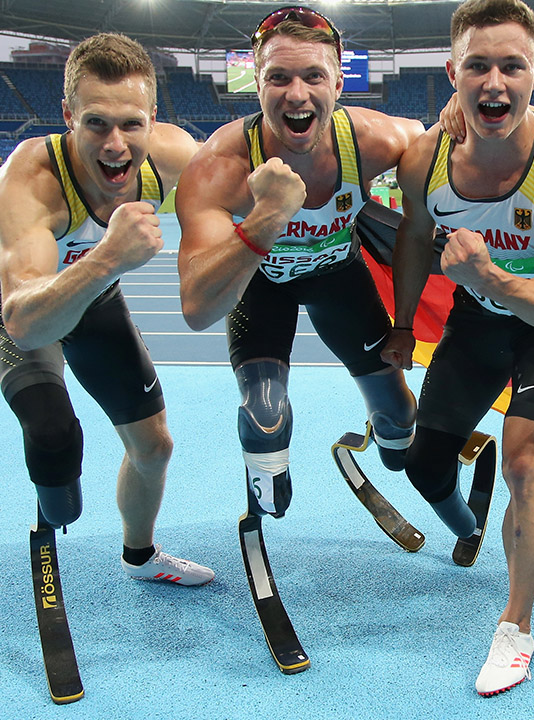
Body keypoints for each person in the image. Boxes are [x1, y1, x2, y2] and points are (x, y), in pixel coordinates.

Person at [389, 0, 534, 697]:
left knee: (524, 462)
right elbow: (412, 237)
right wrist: (403, 323)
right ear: (452, 73)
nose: (495, 83)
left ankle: (515, 627)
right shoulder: (425, 158)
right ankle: (469, 516)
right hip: (477, 323)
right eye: (478, 67)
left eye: (511, 66)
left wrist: (491, 278)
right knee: (423, 467)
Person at [0, 33, 213, 586]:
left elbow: (249, 169)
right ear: (68, 116)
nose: (115, 145)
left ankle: (141, 557)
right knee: (54, 440)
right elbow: (25, 323)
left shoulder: (172, 156)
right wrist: (107, 258)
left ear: (153, 120)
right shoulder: (29, 183)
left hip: (96, 296)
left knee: (154, 446)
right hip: (22, 301)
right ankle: (51, 498)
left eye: (131, 124)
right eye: (96, 123)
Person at [175, 7, 425, 522]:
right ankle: (266, 487)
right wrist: (267, 216)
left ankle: (390, 438)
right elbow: (197, 308)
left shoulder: (379, 141)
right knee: (264, 415)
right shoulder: (219, 166)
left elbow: (443, 150)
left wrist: (459, 118)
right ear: (256, 86)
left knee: (400, 419)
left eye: (313, 76)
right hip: (261, 287)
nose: (296, 94)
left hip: (339, 279)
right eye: (278, 78)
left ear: (338, 84)